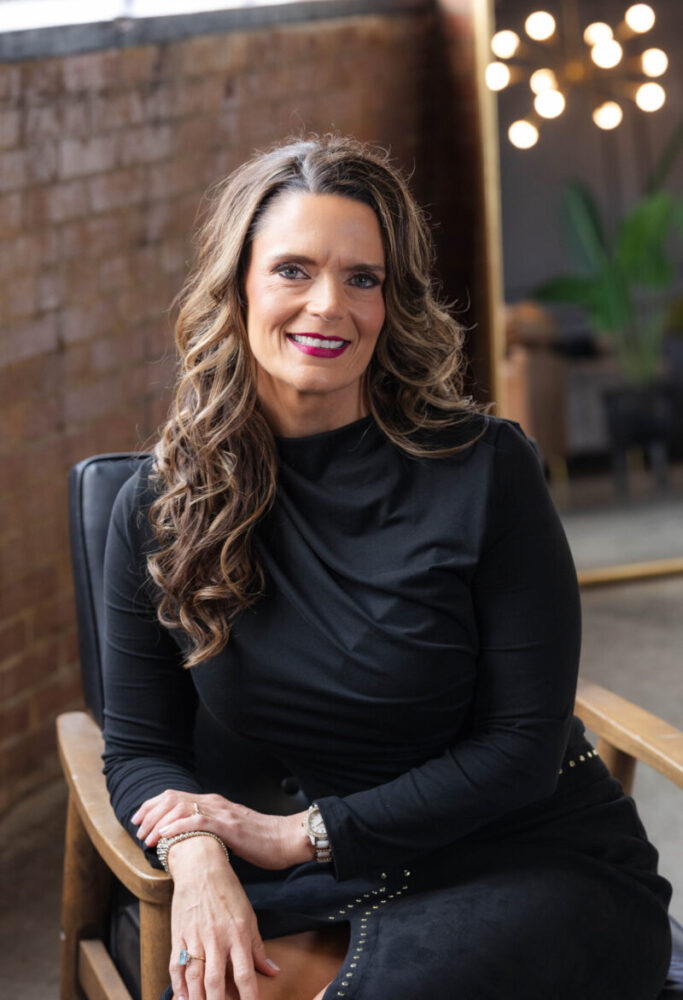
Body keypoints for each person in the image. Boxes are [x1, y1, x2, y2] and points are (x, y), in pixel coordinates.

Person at [103, 135, 672, 1000]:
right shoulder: (159, 503)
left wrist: (298, 835)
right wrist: (196, 856)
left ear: (392, 299)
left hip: (520, 856)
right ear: (238, 285)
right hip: (308, 877)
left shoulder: (487, 471)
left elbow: (520, 750)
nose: (328, 306)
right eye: (292, 270)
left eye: (362, 278)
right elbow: (140, 746)